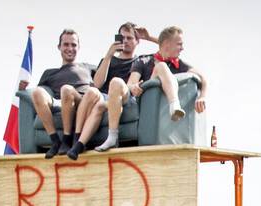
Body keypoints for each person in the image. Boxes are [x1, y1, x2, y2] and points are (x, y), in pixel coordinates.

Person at [70, 22, 155, 159]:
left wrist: (149, 37)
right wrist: (109, 55)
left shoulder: (142, 60)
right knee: (91, 92)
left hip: (124, 96)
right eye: (122, 38)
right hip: (103, 96)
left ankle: (86, 141)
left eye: (129, 38)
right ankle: (77, 140)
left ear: (137, 41)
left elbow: (168, 48)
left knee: (112, 88)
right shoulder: (108, 59)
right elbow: (97, 84)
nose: (125, 41)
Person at [29, 29, 95, 159]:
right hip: (61, 102)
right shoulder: (49, 73)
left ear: (79, 47)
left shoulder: (88, 67)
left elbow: (103, 81)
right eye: (66, 44)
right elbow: (39, 100)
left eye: (74, 45)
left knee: (66, 89)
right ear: (59, 47)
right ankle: (55, 141)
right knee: (36, 92)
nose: (70, 48)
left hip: (82, 101)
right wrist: (24, 88)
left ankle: (67, 138)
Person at [129, 26, 208, 122]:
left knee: (162, 66)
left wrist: (202, 97)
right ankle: (174, 104)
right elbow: (130, 84)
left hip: (164, 110)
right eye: (179, 44)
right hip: (147, 102)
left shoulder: (180, 65)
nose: (182, 48)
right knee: (161, 66)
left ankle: (175, 108)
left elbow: (203, 78)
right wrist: (133, 87)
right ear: (166, 44)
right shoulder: (143, 61)